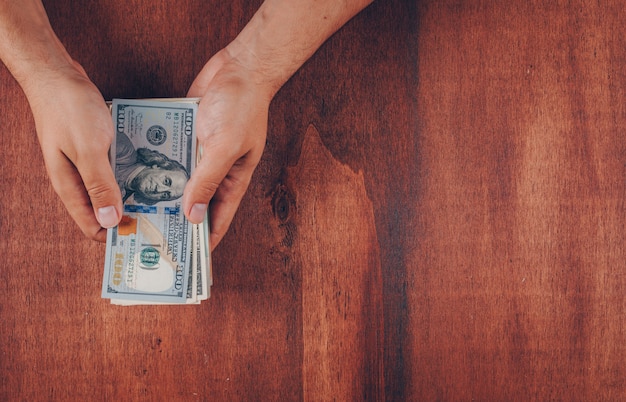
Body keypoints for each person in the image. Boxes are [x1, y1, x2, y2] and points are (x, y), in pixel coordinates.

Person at [0, 0, 373, 248]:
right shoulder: (124, 153)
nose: (162, 194)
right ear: (158, 164)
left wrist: (254, 66)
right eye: (166, 184)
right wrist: (43, 72)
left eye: (165, 194)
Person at [115, 131, 189, 205]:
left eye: (165, 195)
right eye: (166, 181)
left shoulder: (119, 202)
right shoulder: (123, 150)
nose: (159, 190)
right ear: (157, 166)